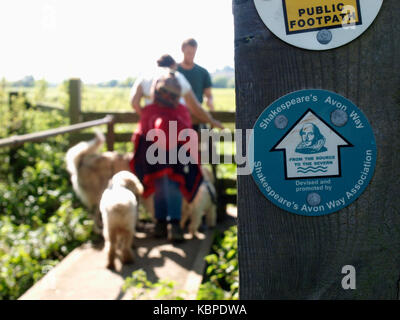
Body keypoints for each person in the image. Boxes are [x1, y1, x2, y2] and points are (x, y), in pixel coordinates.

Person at [130, 72, 203, 242]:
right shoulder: (151, 111)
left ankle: (173, 225)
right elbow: (143, 132)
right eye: (165, 93)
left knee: (171, 186)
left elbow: (185, 132)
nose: (167, 97)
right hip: (155, 156)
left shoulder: (180, 111)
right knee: (160, 187)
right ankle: (161, 224)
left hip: (174, 157)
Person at [130, 54, 222, 129]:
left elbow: (134, 103)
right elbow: (196, 108)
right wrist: (212, 121)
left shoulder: (145, 76)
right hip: (175, 127)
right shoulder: (178, 77)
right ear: (173, 65)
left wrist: (148, 115)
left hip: (151, 127)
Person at [178, 38, 215, 112]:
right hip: (175, 115)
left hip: (196, 113)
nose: (191, 56)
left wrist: (209, 101)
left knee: (203, 122)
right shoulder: (173, 71)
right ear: (182, 50)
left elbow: (208, 95)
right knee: (171, 123)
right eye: (188, 53)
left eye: (193, 53)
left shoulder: (203, 72)